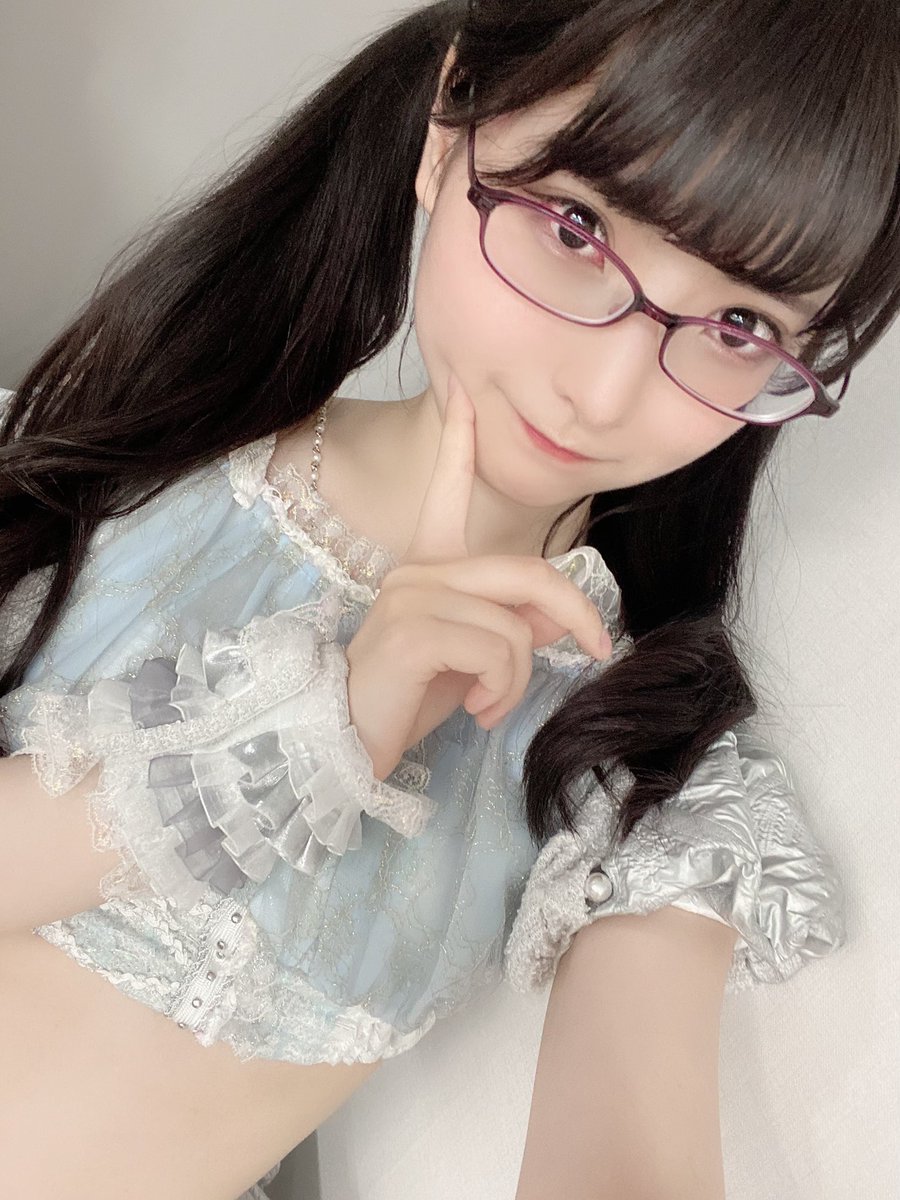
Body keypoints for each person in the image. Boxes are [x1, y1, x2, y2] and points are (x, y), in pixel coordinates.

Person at [0, 0, 896, 1196]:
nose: (602, 388)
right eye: (577, 228)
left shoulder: (634, 756)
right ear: (449, 128)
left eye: (740, 326)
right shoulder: (139, 457)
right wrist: (322, 730)